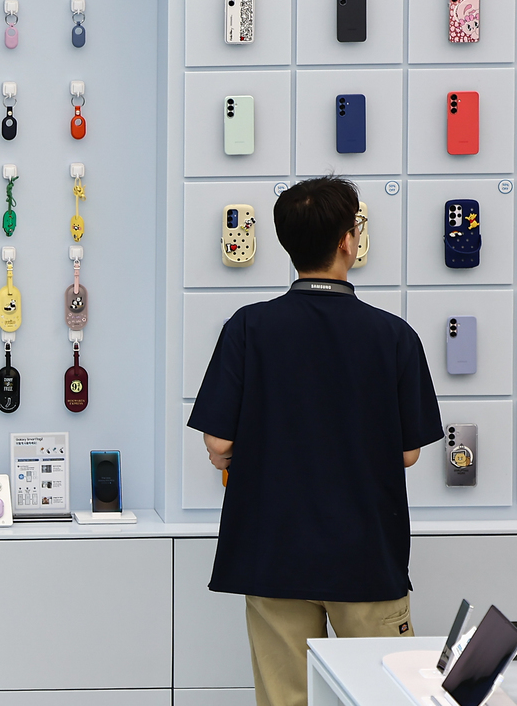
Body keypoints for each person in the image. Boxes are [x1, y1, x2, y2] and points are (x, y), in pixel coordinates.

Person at [188, 176, 445, 706]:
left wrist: (245, 452)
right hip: (366, 556)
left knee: (286, 700)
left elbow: (217, 441)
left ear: (287, 244)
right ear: (349, 241)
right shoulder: (393, 335)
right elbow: (408, 452)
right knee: (383, 697)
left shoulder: (247, 328)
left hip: (272, 552)